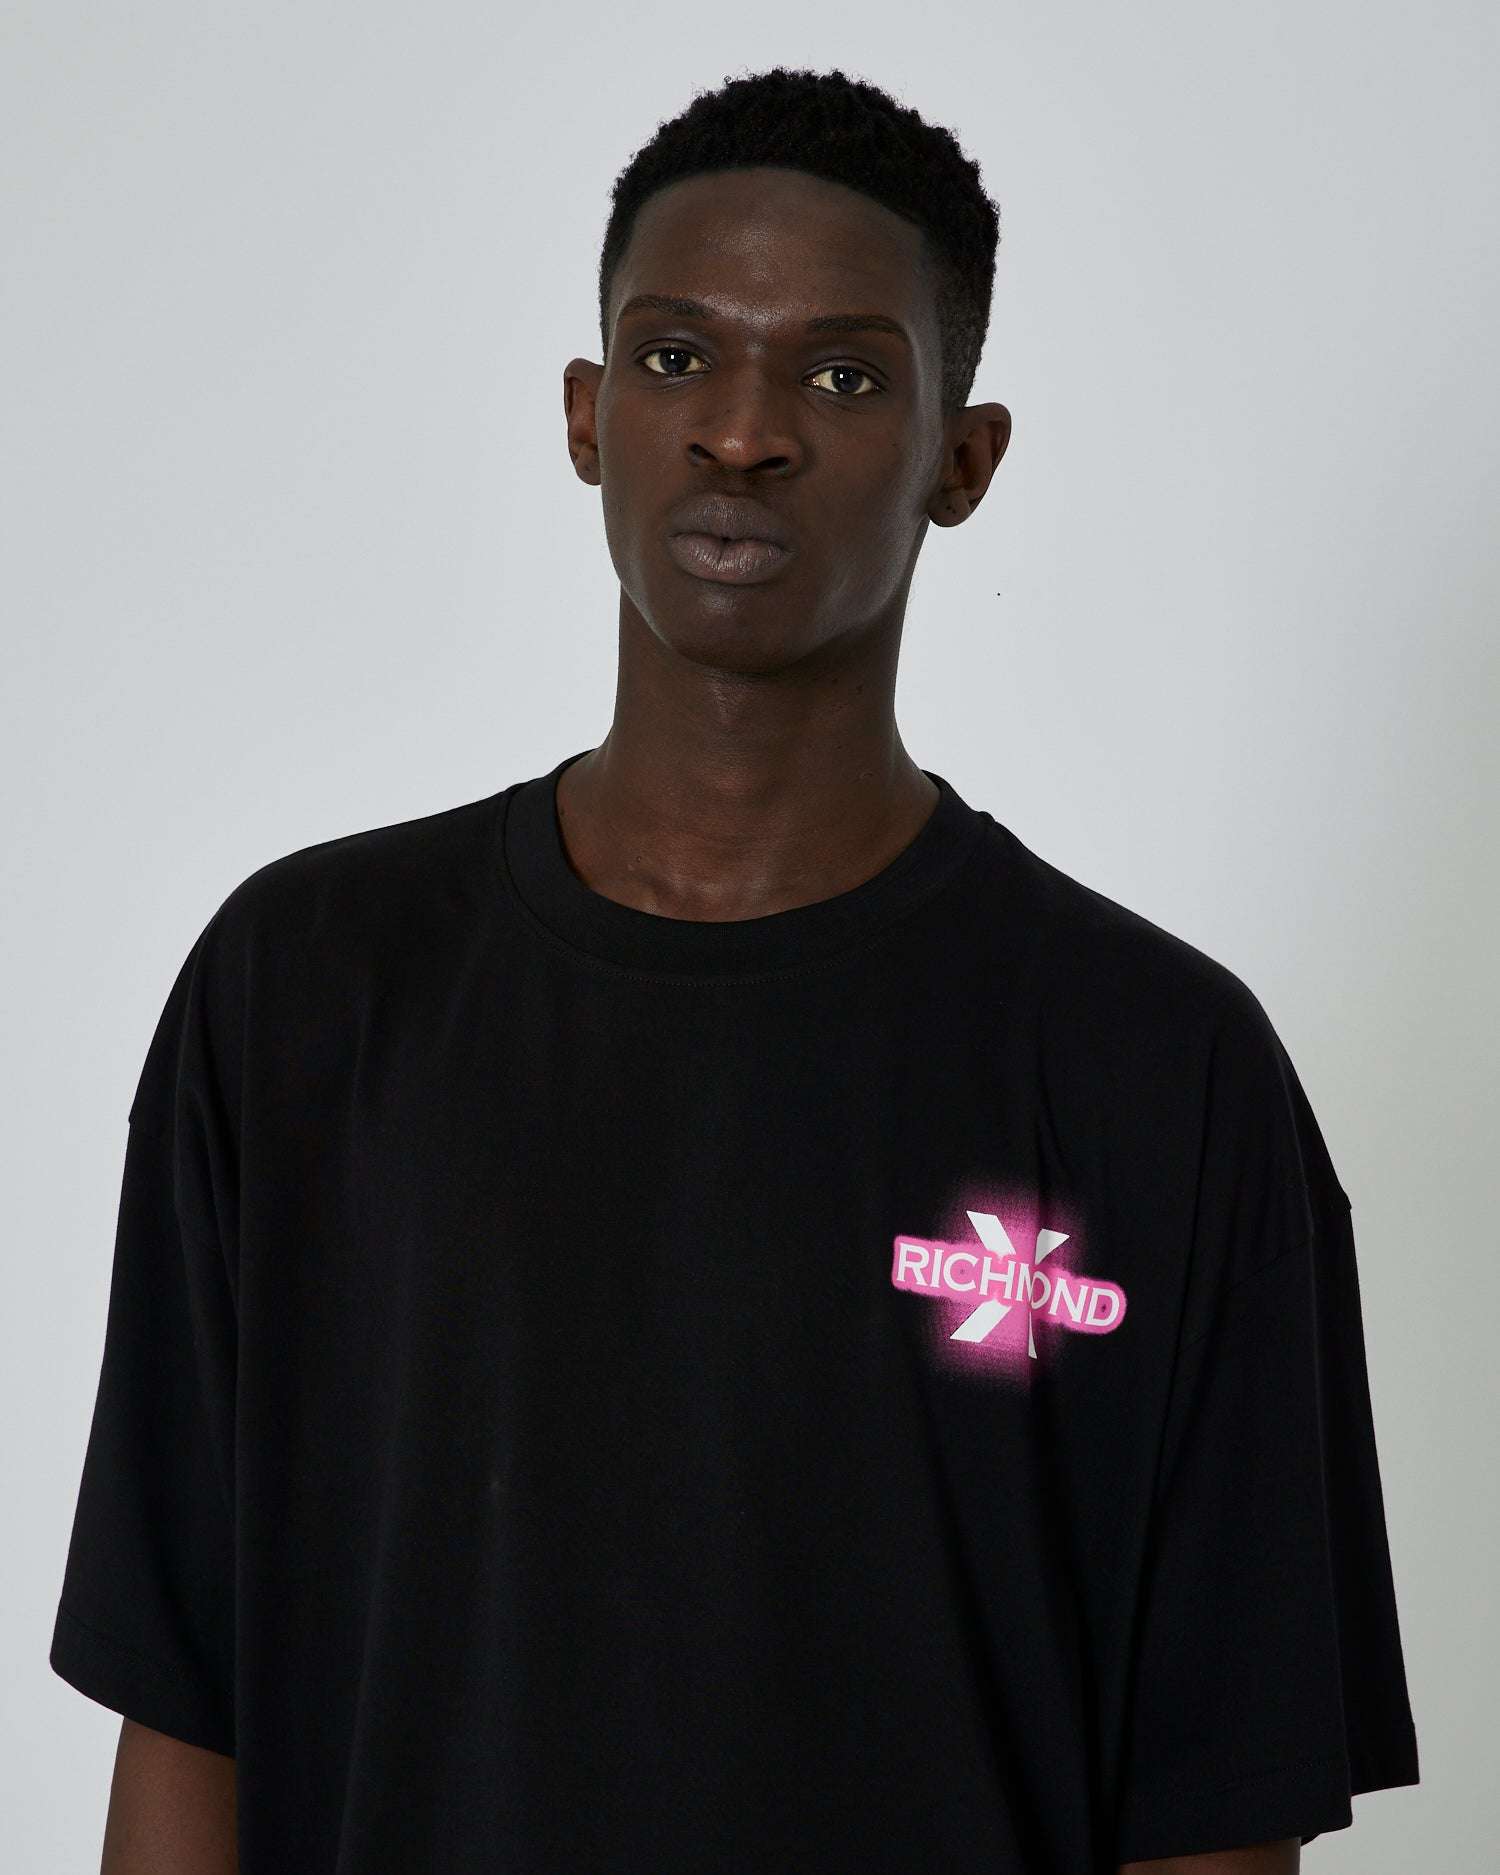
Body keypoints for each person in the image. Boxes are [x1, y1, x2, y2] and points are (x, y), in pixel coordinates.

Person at [50, 65, 1419, 1875]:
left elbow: (1216, 1810)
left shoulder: (1160, 1068)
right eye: (678, 356)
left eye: (843, 376)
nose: (743, 433)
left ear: (962, 460)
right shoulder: (302, 989)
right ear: (587, 414)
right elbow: (186, 1708)